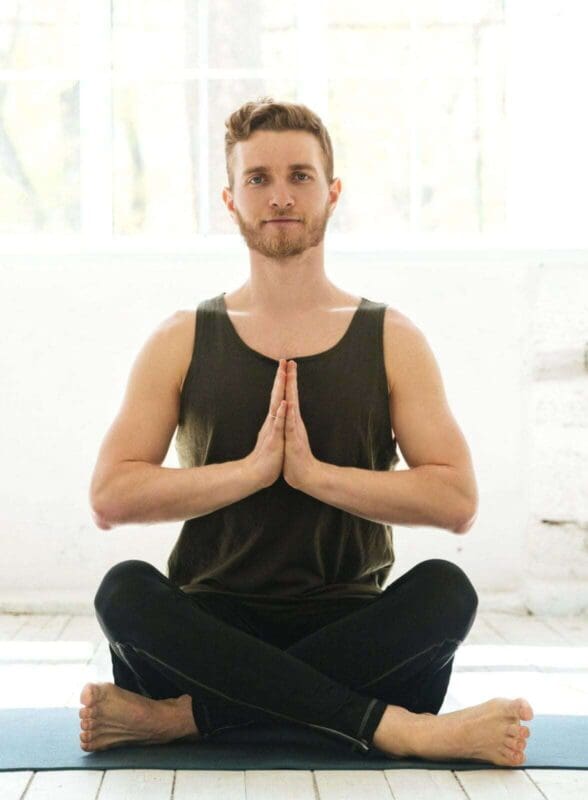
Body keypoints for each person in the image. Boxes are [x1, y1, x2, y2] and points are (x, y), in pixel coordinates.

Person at [80, 98, 533, 765]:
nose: (281, 195)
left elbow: (457, 502)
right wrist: (252, 473)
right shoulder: (181, 338)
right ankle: (395, 729)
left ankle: (185, 721)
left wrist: (316, 477)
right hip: (210, 628)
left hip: (353, 627)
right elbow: (110, 496)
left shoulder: (393, 339)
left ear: (332, 191)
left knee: (446, 588)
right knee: (123, 589)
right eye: (258, 179)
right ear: (231, 199)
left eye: (300, 175)